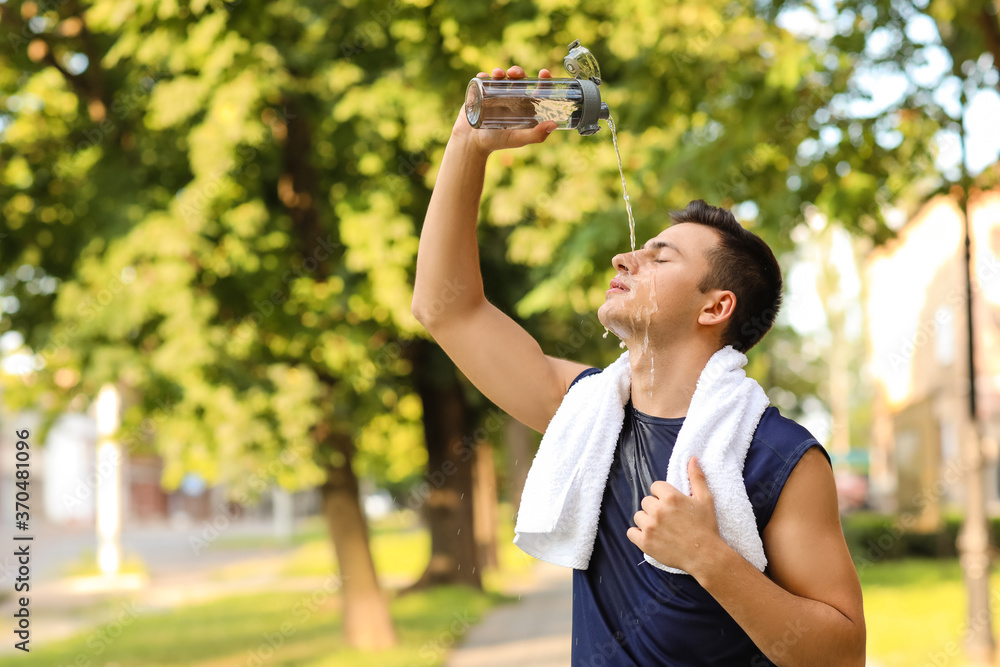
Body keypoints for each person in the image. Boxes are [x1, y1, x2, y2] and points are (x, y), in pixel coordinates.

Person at [411, 65, 865, 666]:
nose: (626, 257)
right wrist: (469, 142)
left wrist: (709, 557)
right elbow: (447, 308)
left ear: (716, 306)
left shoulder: (779, 457)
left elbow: (842, 654)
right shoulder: (585, 412)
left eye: (661, 256)